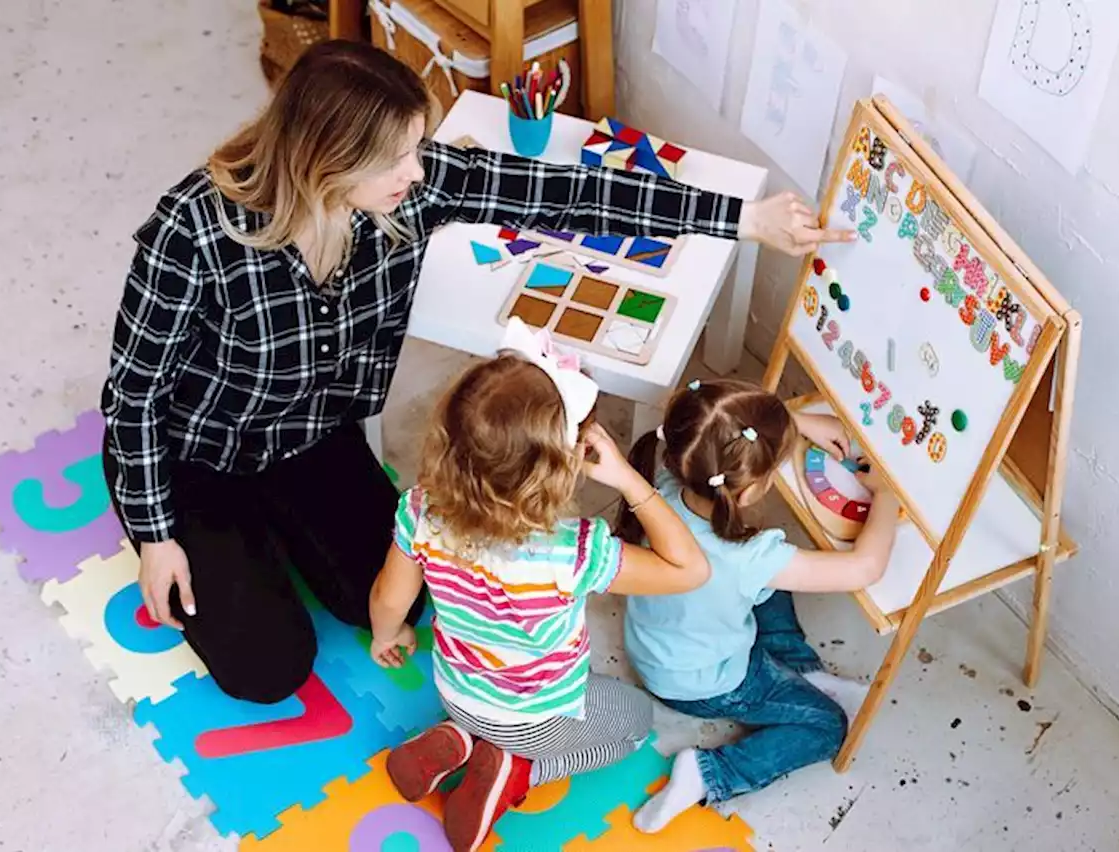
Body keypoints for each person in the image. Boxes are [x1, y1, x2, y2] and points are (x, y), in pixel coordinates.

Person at [100, 38, 854, 704]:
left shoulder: (411, 190)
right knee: (270, 671)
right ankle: (226, 536)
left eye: (417, 149)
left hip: (309, 434)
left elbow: (566, 192)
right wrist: (157, 533)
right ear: (328, 157)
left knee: (392, 605)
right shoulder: (191, 230)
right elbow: (132, 397)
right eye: (396, 159)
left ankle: (267, 529)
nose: (417, 172)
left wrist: (743, 221)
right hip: (195, 455)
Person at [366, 319, 711, 850]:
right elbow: (691, 570)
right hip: (537, 722)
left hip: (456, 694)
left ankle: (460, 739)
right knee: (636, 721)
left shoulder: (420, 509)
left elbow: (390, 597)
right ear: (563, 466)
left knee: (506, 712)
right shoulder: (574, 552)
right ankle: (515, 773)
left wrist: (387, 636)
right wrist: (626, 478)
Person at [613, 379, 901, 833]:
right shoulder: (750, 557)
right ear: (747, 492)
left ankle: (803, 673)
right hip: (705, 684)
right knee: (827, 727)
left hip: (659, 649)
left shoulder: (663, 478)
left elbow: (707, 429)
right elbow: (864, 569)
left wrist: (792, 424)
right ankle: (709, 774)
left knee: (775, 584)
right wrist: (887, 494)